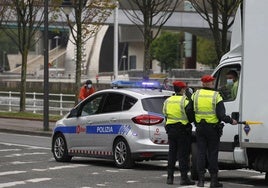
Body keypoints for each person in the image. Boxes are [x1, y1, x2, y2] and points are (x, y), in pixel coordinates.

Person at [191, 75, 237, 187]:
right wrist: (231, 120)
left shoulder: (195, 95)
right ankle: (213, 181)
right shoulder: (216, 96)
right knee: (212, 154)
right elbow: (221, 115)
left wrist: (195, 122)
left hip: (200, 128)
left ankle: (201, 180)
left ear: (202, 84)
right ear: (211, 83)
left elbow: (189, 111)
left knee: (201, 153)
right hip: (212, 129)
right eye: (212, 82)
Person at [163, 80, 195, 185]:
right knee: (183, 155)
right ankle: (184, 178)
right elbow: (191, 118)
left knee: (172, 154)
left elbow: (165, 114)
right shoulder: (185, 101)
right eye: (184, 88)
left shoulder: (168, 101)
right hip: (182, 130)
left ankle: (169, 178)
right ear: (182, 89)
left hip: (171, 130)